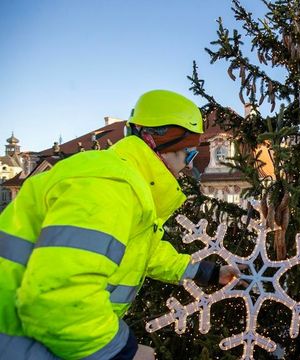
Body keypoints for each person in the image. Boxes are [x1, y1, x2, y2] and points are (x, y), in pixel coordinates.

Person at [0, 90, 239, 359]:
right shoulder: (110, 184)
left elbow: (143, 251)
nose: (187, 166)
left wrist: (207, 272)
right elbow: (57, 299)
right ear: (157, 142)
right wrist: (123, 353)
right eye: (188, 154)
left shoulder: (125, 183)